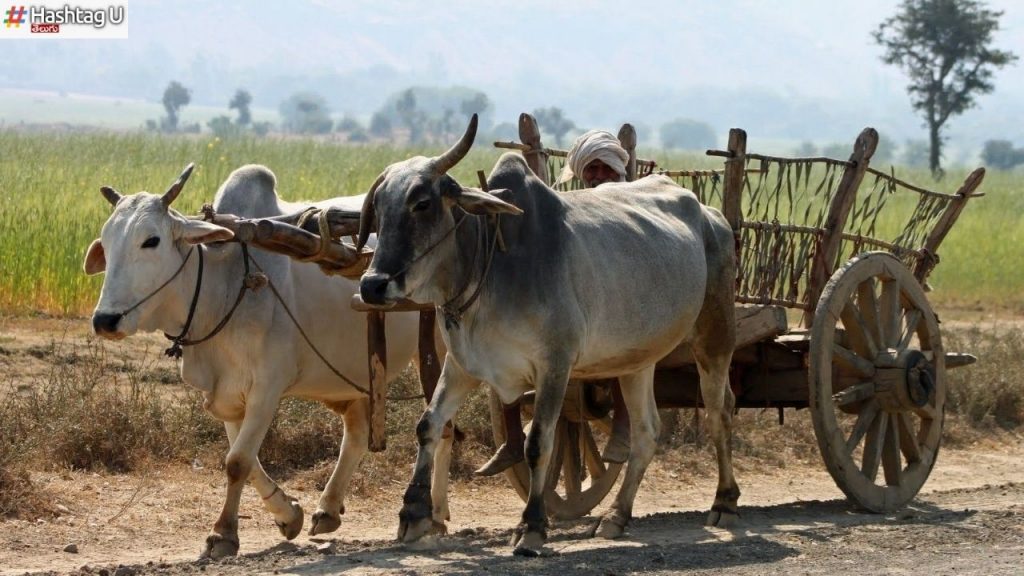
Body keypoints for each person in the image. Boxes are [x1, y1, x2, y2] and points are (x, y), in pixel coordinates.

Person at [474, 130, 633, 477]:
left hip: (613, 298)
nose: (599, 177)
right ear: (579, 172)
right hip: (564, 295)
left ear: (620, 172)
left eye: (606, 170)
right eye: (592, 169)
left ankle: (624, 422)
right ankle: (512, 440)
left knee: (625, 337)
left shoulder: (627, 207)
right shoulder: (560, 209)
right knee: (506, 354)